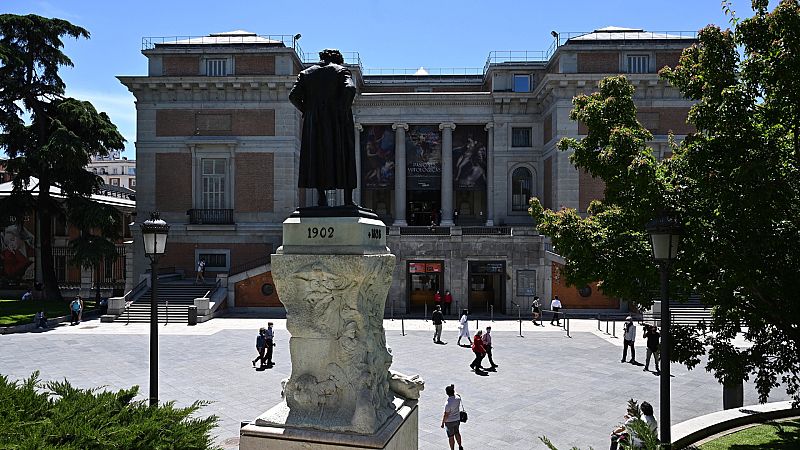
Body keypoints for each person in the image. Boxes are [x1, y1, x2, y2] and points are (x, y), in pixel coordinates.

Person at [289, 49, 357, 207]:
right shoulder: (340, 70)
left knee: (317, 156)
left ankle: (322, 198)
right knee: (345, 155)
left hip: (314, 122)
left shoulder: (306, 74)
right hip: (337, 121)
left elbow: (293, 96)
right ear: (337, 60)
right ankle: (348, 200)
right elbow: (350, 88)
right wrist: (342, 108)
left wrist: (307, 110)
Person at [441, 384, 465, 450]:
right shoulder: (458, 398)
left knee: (451, 436)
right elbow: (456, 393)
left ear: (446, 393)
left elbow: (446, 415)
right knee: (457, 433)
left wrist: (443, 423)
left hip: (449, 422)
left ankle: (452, 449)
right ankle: (460, 446)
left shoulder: (448, 404)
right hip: (457, 419)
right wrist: (453, 388)